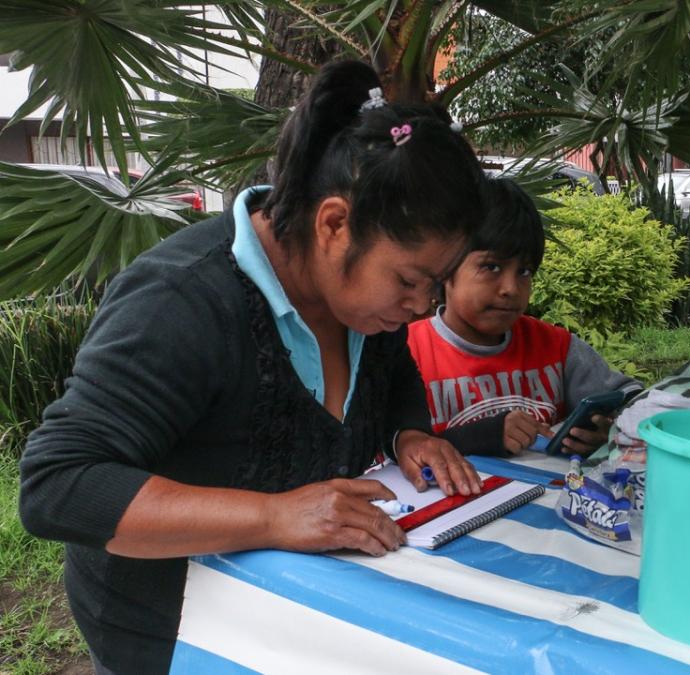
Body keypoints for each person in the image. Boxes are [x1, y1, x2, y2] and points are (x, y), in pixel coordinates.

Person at [18, 60, 487, 674]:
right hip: (167, 629)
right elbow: (58, 487)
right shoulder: (180, 301)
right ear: (334, 225)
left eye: (434, 285)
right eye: (409, 280)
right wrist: (275, 515)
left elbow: (393, 376)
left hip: (291, 618)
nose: (423, 307)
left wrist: (410, 432)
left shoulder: (363, 305)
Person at [406, 178, 642, 457]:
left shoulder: (557, 348)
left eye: (525, 271)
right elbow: (392, 453)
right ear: (444, 269)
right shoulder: (407, 353)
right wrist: (480, 437)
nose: (511, 288)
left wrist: (608, 431)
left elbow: (635, 402)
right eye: (491, 266)